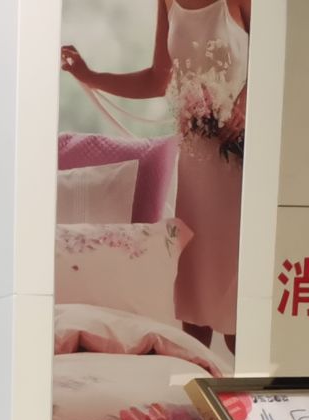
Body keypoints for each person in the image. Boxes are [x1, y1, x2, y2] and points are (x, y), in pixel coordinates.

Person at [62, 0, 249, 350]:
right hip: (196, 166)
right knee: (195, 303)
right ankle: (194, 376)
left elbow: (274, 61)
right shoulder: (167, 3)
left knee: (242, 314)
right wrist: (89, 75)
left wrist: (243, 106)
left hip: (240, 164)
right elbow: (158, 79)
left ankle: (253, 384)